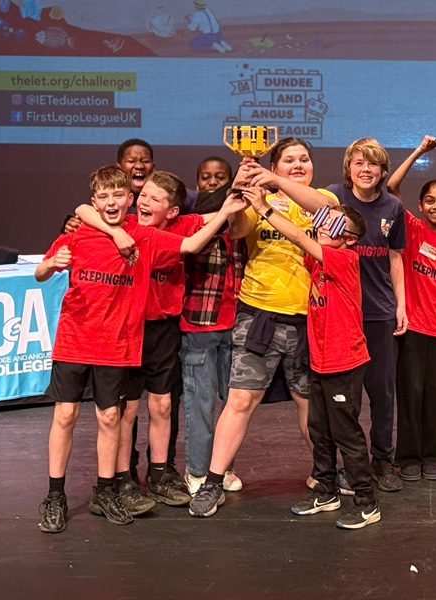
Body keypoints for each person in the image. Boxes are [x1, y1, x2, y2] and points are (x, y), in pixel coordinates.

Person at [35, 165, 244, 533]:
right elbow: (41, 270)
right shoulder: (81, 232)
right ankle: (56, 496)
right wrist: (53, 262)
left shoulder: (143, 237)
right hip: (75, 340)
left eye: (120, 196)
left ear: (128, 200)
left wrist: (227, 212)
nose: (112, 202)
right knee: (65, 416)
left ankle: (109, 489)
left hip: (118, 345)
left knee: (111, 417)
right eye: (104, 197)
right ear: (95, 200)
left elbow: (191, 244)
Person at [188, 138, 338, 518]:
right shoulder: (258, 199)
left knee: (311, 405)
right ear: (276, 163)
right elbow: (237, 230)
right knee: (240, 401)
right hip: (259, 316)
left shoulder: (320, 198)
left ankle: (325, 477)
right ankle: (213, 482)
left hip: (309, 318)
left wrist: (274, 181)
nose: (299, 164)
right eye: (289, 160)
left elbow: (329, 211)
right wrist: (241, 197)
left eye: (304, 159)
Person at [244, 190, 381, 529]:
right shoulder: (321, 256)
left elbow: (297, 235)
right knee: (319, 430)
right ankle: (326, 491)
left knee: (346, 434)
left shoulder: (344, 259)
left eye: (335, 227)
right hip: (319, 359)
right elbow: (315, 222)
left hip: (343, 360)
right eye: (326, 222)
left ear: (349, 240)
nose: (325, 227)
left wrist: (262, 208)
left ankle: (367, 501)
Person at [326, 138, 407, 493]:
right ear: (348, 169)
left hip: (380, 313)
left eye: (372, 164)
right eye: (358, 162)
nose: (365, 170)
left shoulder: (394, 206)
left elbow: (395, 257)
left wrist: (401, 305)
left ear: (382, 171)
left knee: (383, 393)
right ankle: (348, 465)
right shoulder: (332, 199)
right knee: (346, 397)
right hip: (341, 314)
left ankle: (383, 462)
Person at [385, 136, 436, 482]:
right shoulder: (412, 229)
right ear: (419, 205)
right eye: (429, 200)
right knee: (411, 394)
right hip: (412, 327)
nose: (435, 206)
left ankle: (435, 457)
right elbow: (391, 184)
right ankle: (409, 457)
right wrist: (418, 152)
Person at [179, 157, 245, 495]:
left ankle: (223, 466)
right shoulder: (191, 222)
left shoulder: (240, 220)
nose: (213, 183)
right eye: (206, 177)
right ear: (197, 182)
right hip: (200, 325)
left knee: (232, 405)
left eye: (221, 177)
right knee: (200, 403)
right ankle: (197, 471)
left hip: (236, 326)